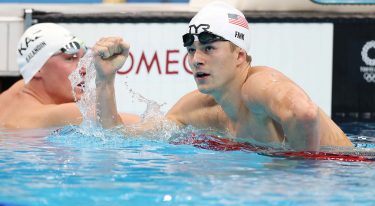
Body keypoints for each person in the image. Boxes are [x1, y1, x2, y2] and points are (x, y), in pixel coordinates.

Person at [95, 1, 352, 151]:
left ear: (240, 56)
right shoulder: (197, 108)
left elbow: (303, 113)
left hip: (350, 171)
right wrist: (105, 80)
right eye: (192, 50)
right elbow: (117, 136)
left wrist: (297, 179)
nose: (196, 59)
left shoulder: (257, 86)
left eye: (209, 49)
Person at [0, 23, 139, 128]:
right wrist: (105, 80)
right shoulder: (63, 114)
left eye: (82, 58)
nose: (83, 69)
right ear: (38, 69)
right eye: (70, 58)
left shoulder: (13, 94)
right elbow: (115, 132)